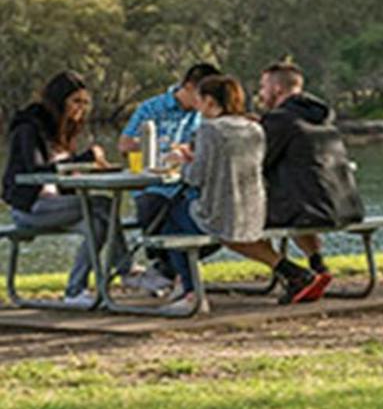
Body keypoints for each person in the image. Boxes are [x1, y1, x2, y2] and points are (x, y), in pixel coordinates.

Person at [162, 75, 321, 308]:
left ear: (209, 101)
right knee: (190, 221)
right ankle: (293, 272)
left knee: (171, 221)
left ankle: (190, 293)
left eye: (199, 99)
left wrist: (183, 162)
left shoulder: (210, 129)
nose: (197, 105)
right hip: (254, 209)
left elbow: (195, 177)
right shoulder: (253, 127)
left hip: (220, 211)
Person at [3, 71, 120, 306]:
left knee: (97, 224)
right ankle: (127, 269)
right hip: (31, 208)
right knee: (102, 204)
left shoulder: (62, 129)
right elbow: (37, 171)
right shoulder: (28, 128)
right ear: (58, 100)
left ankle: (74, 291)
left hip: (56, 206)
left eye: (85, 103)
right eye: (75, 101)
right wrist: (82, 159)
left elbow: (64, 172)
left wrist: (93, 168)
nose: (81, 108)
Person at [256, 61, 364, 302]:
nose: (260, 94)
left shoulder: (280, 120)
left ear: (276, 90)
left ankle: (292, 273)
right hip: (343, 205)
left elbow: (255, 163)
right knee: (297, 200)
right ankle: (318, 266)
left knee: (236, 221)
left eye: (262, 87)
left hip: (310, 209)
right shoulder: (319, 116)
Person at [119, 62, 220, 295]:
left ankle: (167, 273)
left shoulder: (203, 114)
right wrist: (157, 148)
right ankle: (174, 275)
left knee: (214, 217)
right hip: (155, 186)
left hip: (188, 185)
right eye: (202, 93)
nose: (206, 100)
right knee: (157, 209)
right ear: (188, 86)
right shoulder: (153, 108)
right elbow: (124, 144)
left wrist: (189, 151)